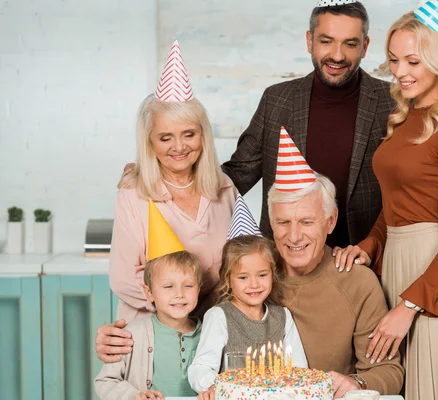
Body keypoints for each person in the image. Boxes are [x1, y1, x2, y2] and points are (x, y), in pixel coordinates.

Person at [97, 134, 404, 398]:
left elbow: (388, 370)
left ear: (330, 221)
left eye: (307, 222)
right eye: (283, 222)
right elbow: (183, 325)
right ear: (271, 222)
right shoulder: (243, 277)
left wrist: (355, 383)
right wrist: (126, 342)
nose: (294, 236)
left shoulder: (357, 282)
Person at [221, 0, 438, 250]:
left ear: (365, 46)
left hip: (366, 265)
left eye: (350, 44)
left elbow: (432, 170)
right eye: (326, 41)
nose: (337, 55)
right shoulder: (276, 100)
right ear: (309, 40)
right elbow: (236, 177)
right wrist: (181, 176)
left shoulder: (394, 103)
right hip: (286, 265)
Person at [333, 5, 438, 399]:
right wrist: (369, 246)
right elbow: (395, 205)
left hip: (437, 284)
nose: (400, 71)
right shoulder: (403, 120)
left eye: (413, 60)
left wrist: (409, 307)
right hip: (397, 271)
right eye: (395, 60)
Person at [109, 40, 236, 328]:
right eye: (166, 137)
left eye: (188, 134)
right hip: (152, 335)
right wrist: (185, 307)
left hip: (214, 333)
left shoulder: (225, 188)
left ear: (202, 136)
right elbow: (123, 278)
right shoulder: (134, 193)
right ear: (150, 142)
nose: (179, 147)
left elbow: (239, 265)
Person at [95, 201, 204, 400]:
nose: (179, 294)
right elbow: (105, 381)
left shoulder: (209, 333)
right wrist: (134, 395)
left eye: (188, 286)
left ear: (199, 287)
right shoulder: (131, 335)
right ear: (149, 293)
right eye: (168, 286)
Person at [188, 234, 307, 399]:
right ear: (228, 278)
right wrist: (215, 387)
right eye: (243, 277)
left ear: (273, 274)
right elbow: (201, 367)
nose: (254, 284)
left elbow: (299, 368)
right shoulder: (219, 316)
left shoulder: (283, 316)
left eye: (262, 275)